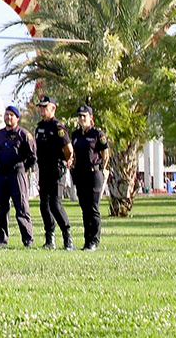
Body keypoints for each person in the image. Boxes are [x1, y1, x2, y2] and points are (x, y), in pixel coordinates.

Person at [34, 96, 75, 250]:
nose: (42, 110)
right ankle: (50, 238)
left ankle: (67, 236)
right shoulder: (39, 128)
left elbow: (68, 149)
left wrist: (67, 161)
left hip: (56, 170)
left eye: (45, 107)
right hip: (43, 170)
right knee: (44, 204)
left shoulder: (58, 128)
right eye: (41, 107)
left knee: (55, 203)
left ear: (53, 108)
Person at [0, 104, 36, 248]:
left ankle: (28, 239)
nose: (8, 117)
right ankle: (0, 241)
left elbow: (32, 156)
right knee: (2, 209)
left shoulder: (24, 135)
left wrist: (23, 169)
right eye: (6, 114)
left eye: (11, 115)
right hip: (2, 174)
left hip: (17, 173)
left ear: (17, 118)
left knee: (22, 207)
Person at [71, 105, 109, 251]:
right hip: (80, 174)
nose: (81, 119)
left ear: (90, 118)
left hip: (94, 173)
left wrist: (103, 168)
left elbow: (105, 153)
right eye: (80, 116)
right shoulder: (75, 135)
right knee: (84, 208)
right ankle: (87, 241)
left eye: (84, 116)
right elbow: (73, 153)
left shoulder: (97, 134)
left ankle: (94, 240)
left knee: (93, 208)